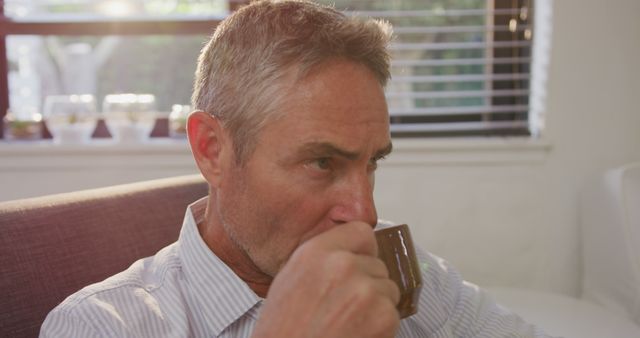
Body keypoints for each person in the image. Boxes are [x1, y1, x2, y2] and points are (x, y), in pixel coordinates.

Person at [41, 1, 551, 337]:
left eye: (371, 162)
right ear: (212, 149)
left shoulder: (404, 272)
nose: (364, 213)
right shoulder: (101, 325)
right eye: (322, 162)